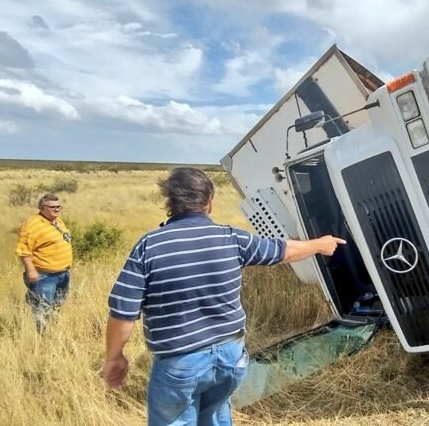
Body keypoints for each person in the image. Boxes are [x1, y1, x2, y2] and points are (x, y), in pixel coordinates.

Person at [102, 167, 346, 426]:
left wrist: (114, 357)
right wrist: (319, 245)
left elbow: (123, 312)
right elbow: (282, 250)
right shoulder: (231, 238)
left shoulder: (149, 246)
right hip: (231, 357)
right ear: (209, 203)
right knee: (217, 418)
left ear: (169, 203)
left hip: (180, 364)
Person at [15, 193, 73, 333]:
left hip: (63, 273)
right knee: (43, 307)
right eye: (53, 207)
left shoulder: (57, 221)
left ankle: (52, 330)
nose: (57, 209)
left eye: (59, 206)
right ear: (42, 207)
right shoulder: (32, 225)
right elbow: (24, 250)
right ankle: (42, 337)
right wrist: (31, 271)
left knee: (57, 304)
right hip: (44, 275)